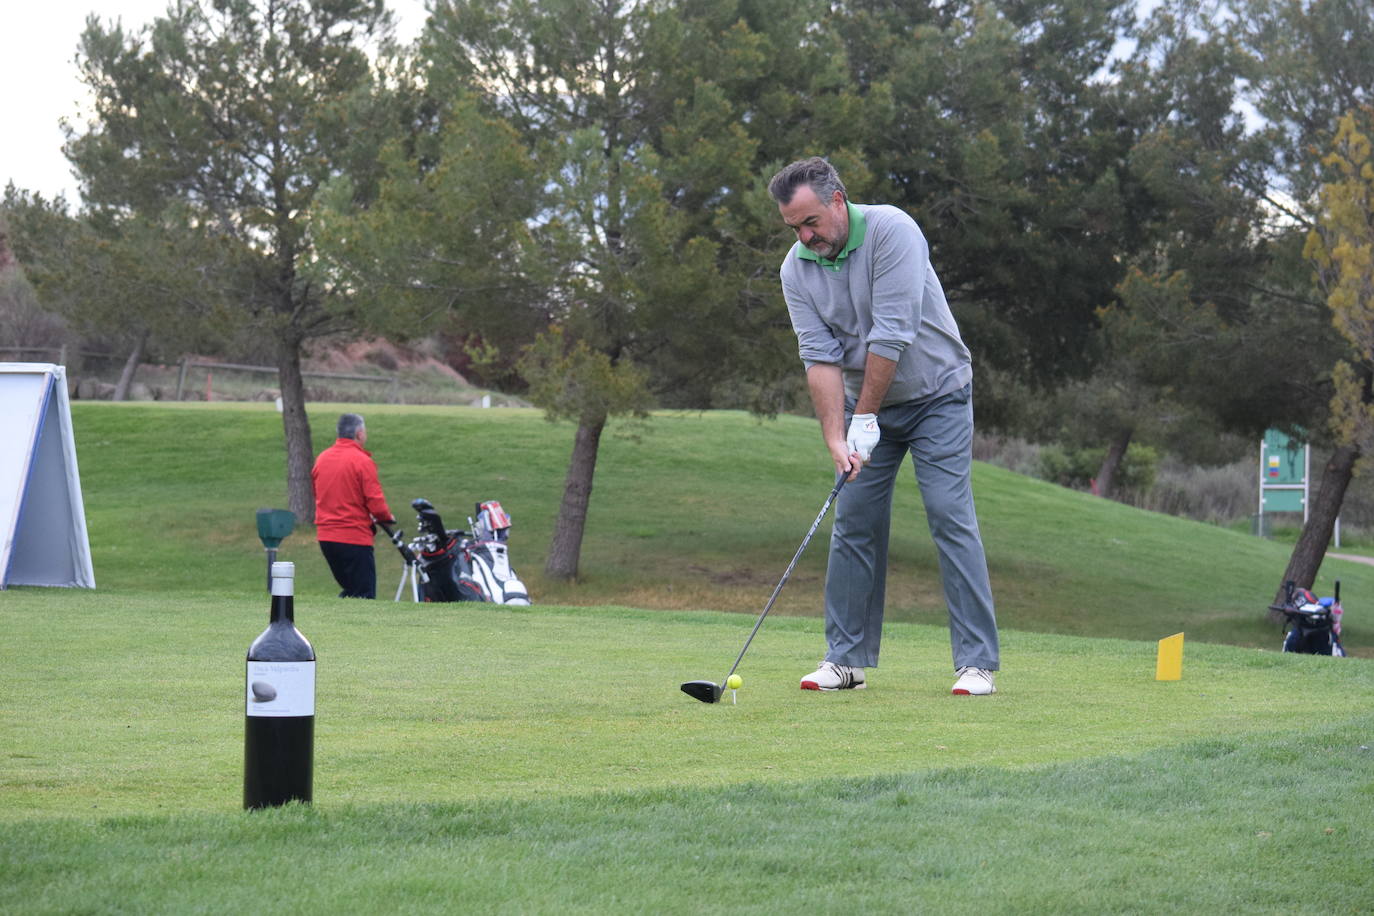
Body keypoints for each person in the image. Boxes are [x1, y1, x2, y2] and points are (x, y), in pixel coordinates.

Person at [767, 156, 1000, 696]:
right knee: (854, 522)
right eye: (794, 228)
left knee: (948, 514)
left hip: (938, 394)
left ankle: (976, 663)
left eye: (811, 222)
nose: (805, 236)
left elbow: (891, 333)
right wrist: (835, 435)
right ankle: (846, 660)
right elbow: (819, 356)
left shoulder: (894, 231)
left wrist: (866, 417)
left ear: (838, 202)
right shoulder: (795, 269)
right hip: (862, 404)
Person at [312, 413, 395, 599]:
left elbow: (317, 493)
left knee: (350, 591)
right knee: (364, 594)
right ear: (359, 434)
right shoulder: (361, 461)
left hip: (326, 538)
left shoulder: (322, 459)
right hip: (353, 537)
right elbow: (375, 500)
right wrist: (386, 518)